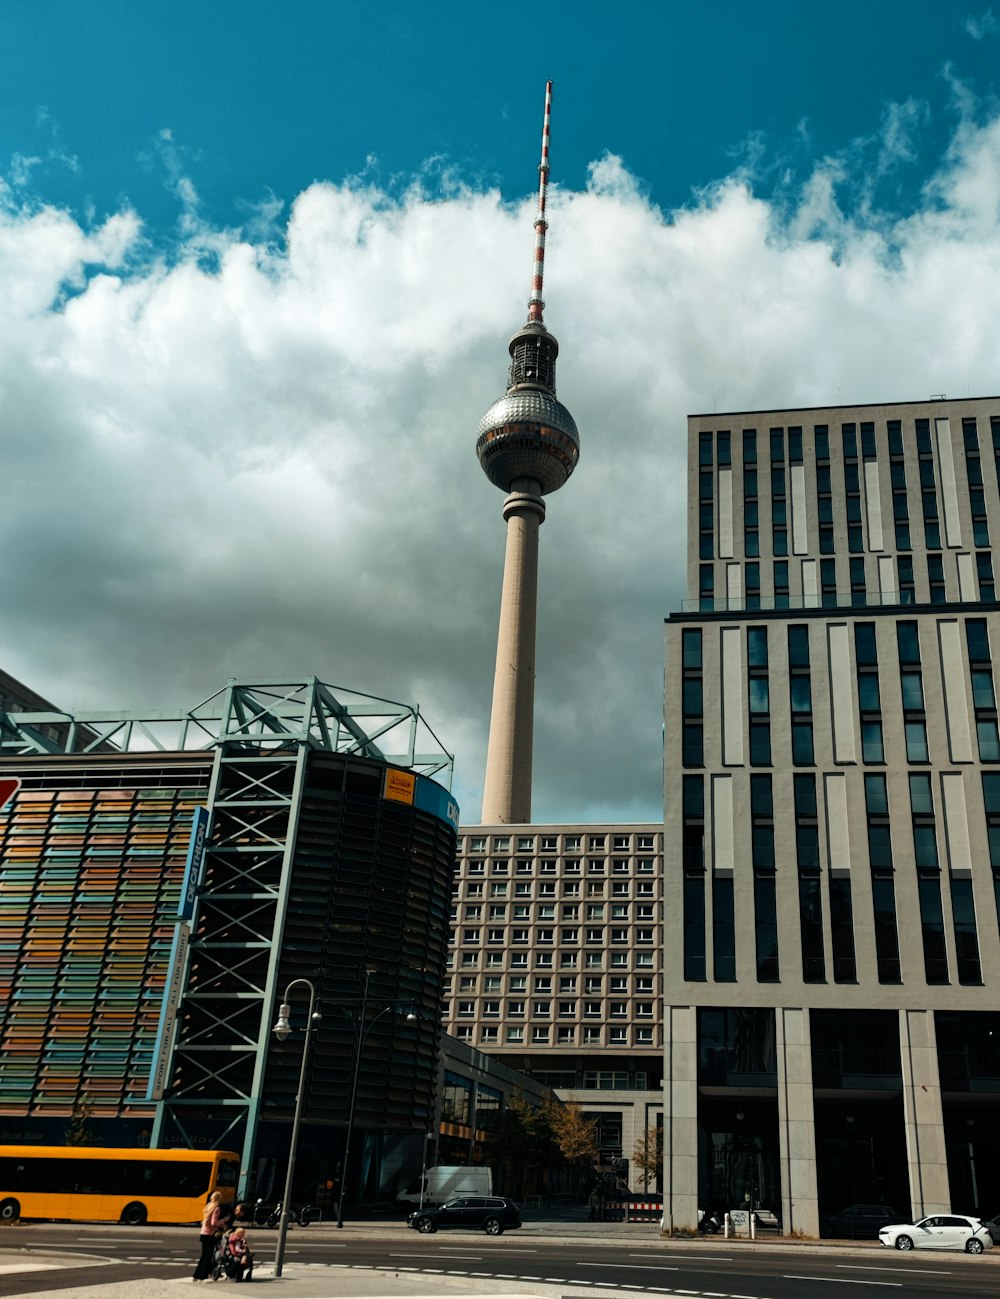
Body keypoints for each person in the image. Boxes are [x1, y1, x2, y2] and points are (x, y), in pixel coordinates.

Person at [193, 1190, 226, 1282]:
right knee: (208, 1255)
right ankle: (202, 1276)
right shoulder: (216, 1208)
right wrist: (223, 1221)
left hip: (203, 1233)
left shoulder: (208, 1206)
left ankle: (197, 1275)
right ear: (219, 1198)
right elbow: (213, 1222)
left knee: (204, 1255)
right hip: (209, 1234)